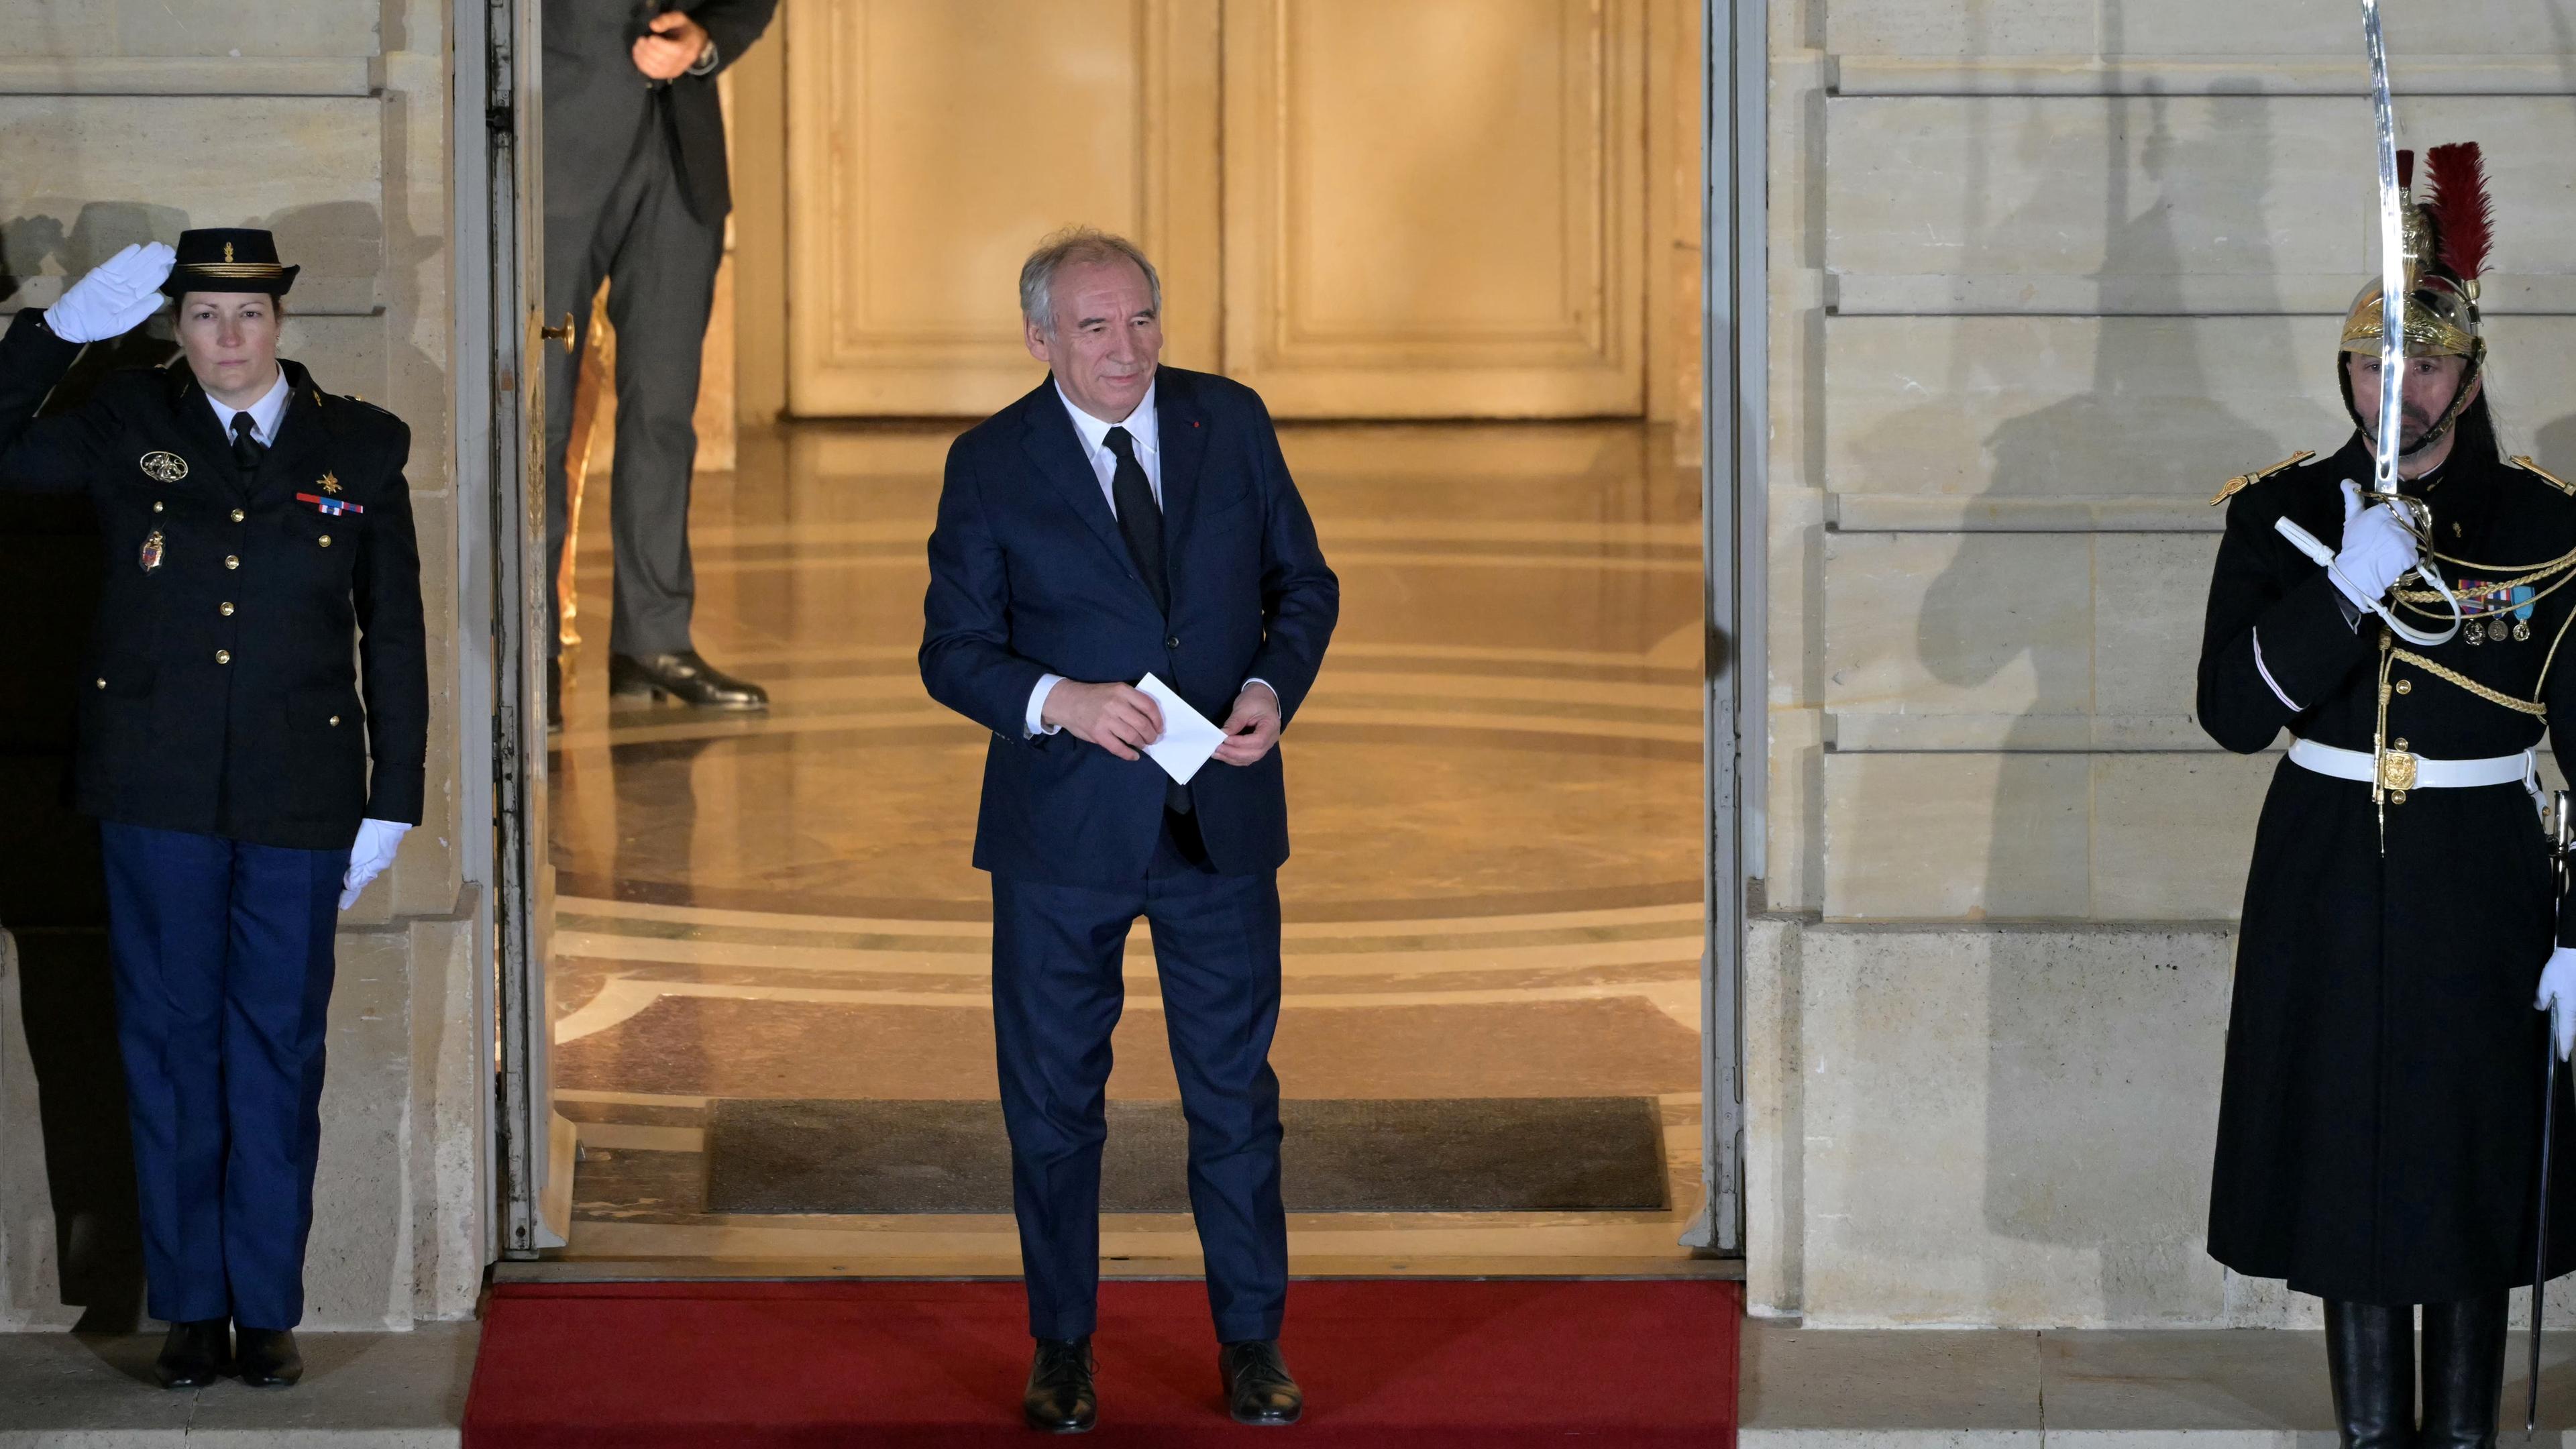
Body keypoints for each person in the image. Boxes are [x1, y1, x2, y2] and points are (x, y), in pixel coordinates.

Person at [920, 229, 1338, 1432]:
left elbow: (1304, 587)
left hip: (1221, 825)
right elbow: (953, 651)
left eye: (1143, 320)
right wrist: (1060, 702)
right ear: (1041, 339)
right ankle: (1061, 1346)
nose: (1127, 349)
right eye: (1096, 328)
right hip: (1063, 841)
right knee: (1053, 1105)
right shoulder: (991, 461)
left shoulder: (1232, 420)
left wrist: (1268, 693)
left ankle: (1252, 1342)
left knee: (1234, 1097)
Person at [2198, 144, 2576, 1448]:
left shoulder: (2543, 531)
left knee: (2465, 1185)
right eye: (2369, 363)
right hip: (2326, 880)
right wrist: (2344, 591)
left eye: (2420, 365)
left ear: (2469, 375)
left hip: (2483, 891)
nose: (2391, 388)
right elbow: (2233, 713)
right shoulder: (2285, 517)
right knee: (2349, 1182)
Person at [0, 232, 425, 1389]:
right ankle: (190, 1308)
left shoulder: (362, 444)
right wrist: (53, 335)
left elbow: (393, 632)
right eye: (201, 317)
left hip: (301, 794)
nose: (226, 340)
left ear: (280, 322)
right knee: (170, 1047)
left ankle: (266, 1308)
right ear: (173, 328)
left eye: (245, 316)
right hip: (155, 789)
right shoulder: (124, 425)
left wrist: (394, 798)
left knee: (278, 1052)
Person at [541, 0, 777, 723]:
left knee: (666, 414)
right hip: (550, 145)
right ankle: (528, 649)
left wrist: (706, 40)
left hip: (681, 151)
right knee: (535, 419)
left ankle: (654, 640)